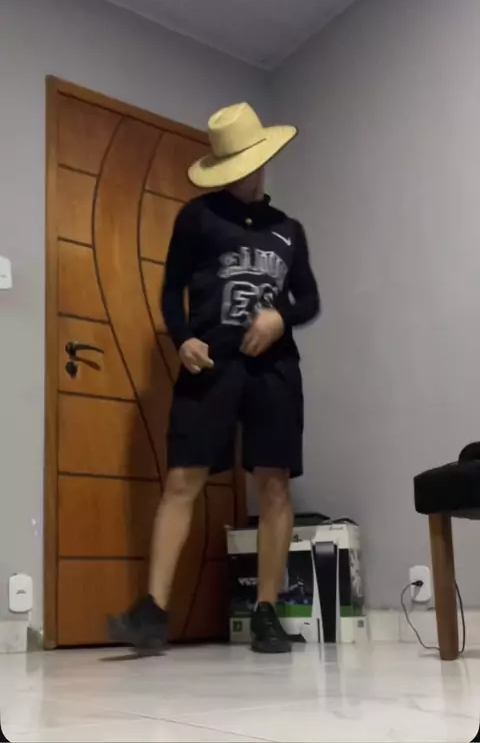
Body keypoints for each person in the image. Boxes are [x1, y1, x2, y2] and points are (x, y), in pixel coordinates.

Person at [108, 102, 320, 655]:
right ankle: (151, 613)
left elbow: (309, 300)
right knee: (183, 478)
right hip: (210, 365)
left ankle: (267, 613)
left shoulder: (289, 230)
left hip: (274, 369)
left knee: (274, 483)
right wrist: (182, 340)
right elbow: (170, 292)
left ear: (262, 160)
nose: (245, 174)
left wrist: (279, 318)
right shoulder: (197, 218)